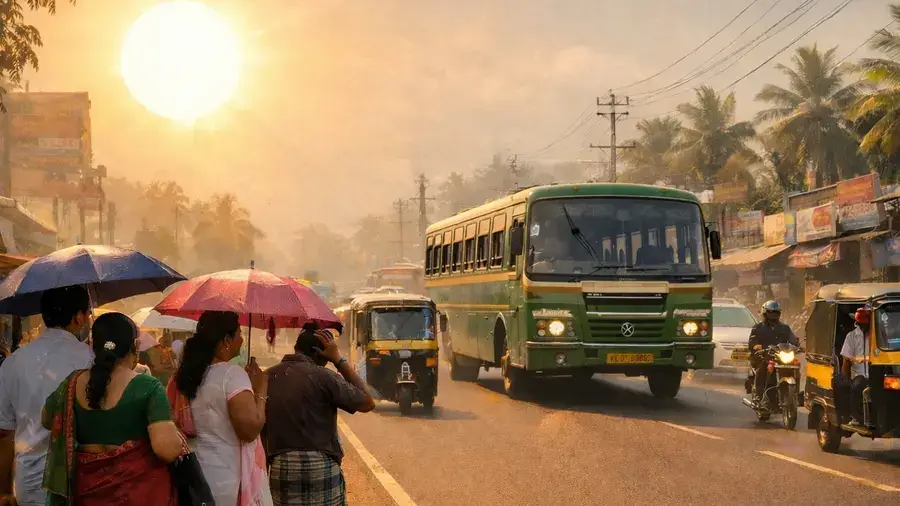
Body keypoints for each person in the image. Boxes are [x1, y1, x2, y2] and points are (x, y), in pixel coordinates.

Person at [42, 312, 183, 506]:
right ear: (134, 346)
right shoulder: (148, 386)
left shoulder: (72, 384)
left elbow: (47, 419)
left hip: (86, 494)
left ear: (93, 346)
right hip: (137, 495)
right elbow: (166, 450)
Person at [0, 286, 94, 506]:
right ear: (79, 317)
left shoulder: (14, 362)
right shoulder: (90, 360)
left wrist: (4, 491)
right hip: (78, 479)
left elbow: (4, 434)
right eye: (87, 313)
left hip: (29, 483)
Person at [265, 326, 375, 506]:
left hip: (281, 467)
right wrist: (338, 360)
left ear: (296, 348)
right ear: (319, 353)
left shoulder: (268, 376)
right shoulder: (325, 377)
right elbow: (368, 402)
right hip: (320, 467)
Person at [173, 311, 272, 506]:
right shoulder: (231, 374)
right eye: (239, 333)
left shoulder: (191, 375)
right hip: (229, 481)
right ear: (226, 340)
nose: (242, 339)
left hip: (199, 474)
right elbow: (250, 429)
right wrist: (261, 389)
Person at [748, 300, 798, 406]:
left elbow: (793, 339)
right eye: (771, 312)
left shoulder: (785, 328)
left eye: (775, 312)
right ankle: (758, 395)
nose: (773, 315)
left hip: (781, 357)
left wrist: (797, 346)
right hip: (763, 357)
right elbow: (752, 341)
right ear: (765, 313)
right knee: (762, 368)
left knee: (795, 366)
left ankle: (794, 395)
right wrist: (756, 346)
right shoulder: (758, 328)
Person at [841, 307, 871, 426]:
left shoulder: (876, 335)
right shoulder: (851, 337)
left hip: (874, 374)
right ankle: (855, 416)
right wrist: (846, 379)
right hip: (857, 376)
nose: (864, 328)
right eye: (862, 325)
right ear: (857, 323)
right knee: (859, 384)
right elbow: (846, 361)